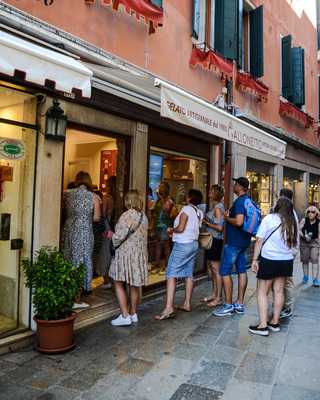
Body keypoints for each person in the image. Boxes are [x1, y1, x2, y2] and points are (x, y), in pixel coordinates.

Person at [249, 197, 298, 336]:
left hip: (270, 259)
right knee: (279, 291)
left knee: (262, 292)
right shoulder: (291, 222)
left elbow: (259, 240)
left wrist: (254, 259)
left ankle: (263, 325)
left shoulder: (269, 219)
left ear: (278, 206)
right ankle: (275, 322)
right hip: (286, 260)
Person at [155, 189, 203, 320]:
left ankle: (169, 308)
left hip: (183, 245)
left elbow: (181, 228)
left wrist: (171, 229)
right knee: (188, 273)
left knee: (171, 273)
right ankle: (187, 303)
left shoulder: (187, 209)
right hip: (193, 244)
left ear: (189, 198)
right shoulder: (199, 212)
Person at [108, 190, 148, 326]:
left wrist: (109, 235)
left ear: (128, 201)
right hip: (139, 254)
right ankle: (133, 313)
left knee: (118, 282)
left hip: (126, 254)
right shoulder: (143, 217)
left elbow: (118, 237)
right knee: (134, 284)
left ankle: (125, 315)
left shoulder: (126, 215)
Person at [213, 177, 252, 317]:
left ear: (240, 187)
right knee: (242, 270)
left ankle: (229, 305)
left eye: (235, 184)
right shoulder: (249, 200)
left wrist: (226, 218)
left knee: (224, 271)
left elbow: (239, 221)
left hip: (234, 242)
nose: (233, 185)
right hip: (244, 242)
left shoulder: (240, 201)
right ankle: (239, 304)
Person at [61, 171, 101, 299]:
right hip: (84, 230)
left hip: (69, 229)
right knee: (84, 258)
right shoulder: (93, 197)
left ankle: (67, 286)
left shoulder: (66, 193)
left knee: (69, 256)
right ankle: (81, 291)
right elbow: (96, 218)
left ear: (77, 180)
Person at [201, 184, 225, 308]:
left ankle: (218, 298)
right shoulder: (216, 206)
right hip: (213, 240)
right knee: (213, 268)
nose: (209, 192)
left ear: (215, 193)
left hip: (215, 240)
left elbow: (220, 228)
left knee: (216, 270)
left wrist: (206, 223)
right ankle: (214, 294)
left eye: (211, 191)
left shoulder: (218, 208)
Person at [278, 188, 298, 318]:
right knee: (284, 281)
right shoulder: (291, 212)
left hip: (288, 251)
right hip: (289, 250)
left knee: (286, 281)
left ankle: (288, 307)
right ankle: (284, 306)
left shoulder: (289, 213)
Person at [153, 182, 176, 274]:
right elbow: (155, 211)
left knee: (166, 246)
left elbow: (167, 209)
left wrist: (161, 198)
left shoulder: (169, 200)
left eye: (161, 187)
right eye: (159, 186)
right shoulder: (159, 200)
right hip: (158, 225)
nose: (159, 188)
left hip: (165, 226)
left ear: (166, 189)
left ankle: (167, 266)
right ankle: (157, 264)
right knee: (158, 245)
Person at [299, 205, 320, 287]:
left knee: (315, 259)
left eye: (313, 212)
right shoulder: (304, 220)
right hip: (304, 243)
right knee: (305, 260)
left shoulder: (318, 222)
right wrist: (304, 236)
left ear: (316, 214)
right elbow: (299, 230)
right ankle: (305, 276)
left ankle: (315, 279)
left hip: (314, 243)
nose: (310, 213)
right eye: (309, 212)